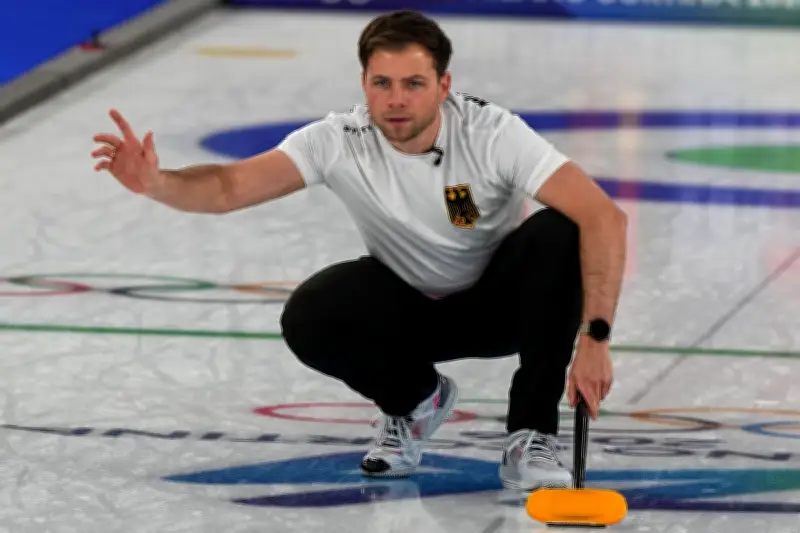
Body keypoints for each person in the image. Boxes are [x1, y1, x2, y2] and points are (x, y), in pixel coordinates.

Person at [91, 10, 626, 491]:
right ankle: (416, 402)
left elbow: (605, 216)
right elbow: (230, 186)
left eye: (414, 84)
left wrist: (595, 338)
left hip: (505, 308)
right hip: (411, 314)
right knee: (313, 312)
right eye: (383, 83)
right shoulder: (337, 140)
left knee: (562, 231)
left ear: (444, 86)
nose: (397, 99)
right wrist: (156, 182)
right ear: (364, 85)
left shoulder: (491, 133)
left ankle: (530, 434)